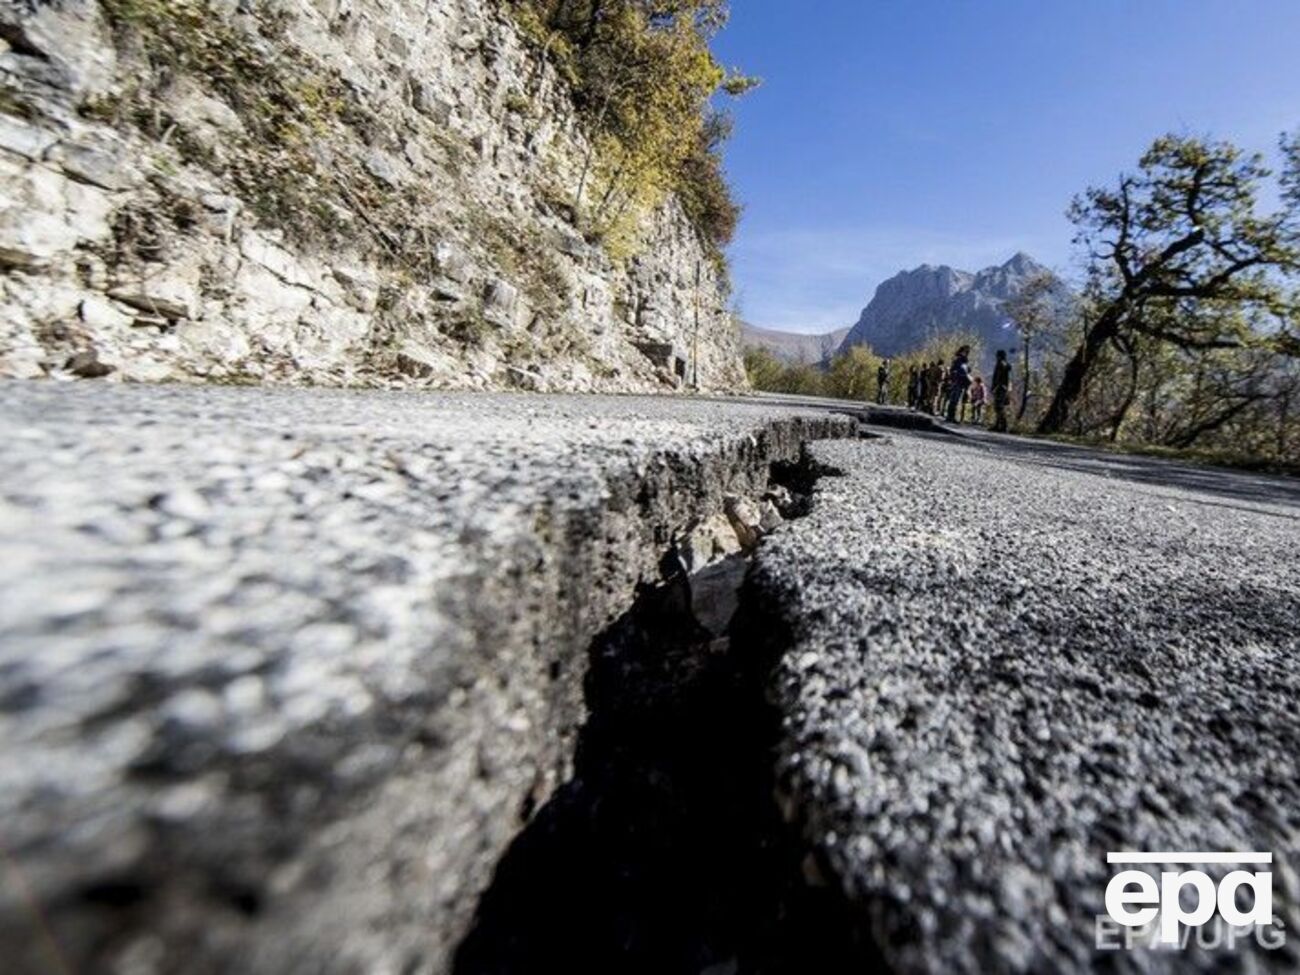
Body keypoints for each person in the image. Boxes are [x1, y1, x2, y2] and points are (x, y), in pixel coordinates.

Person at [945, 345, 972, 422]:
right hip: (957, 381)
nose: (966, 353)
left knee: (955, 399)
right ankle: (950, 416)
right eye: (966, 351)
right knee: (954, 399)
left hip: (958, 382)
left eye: (967, 352)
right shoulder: (959, 360)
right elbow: (956, 370)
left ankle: (950, 416)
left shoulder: (961, 360)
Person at [991, 349, 1012, 432]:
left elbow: (998, 377)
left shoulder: (1000, 364)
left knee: (998, 407)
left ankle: (1003, 426)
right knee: (999, 407)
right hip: (1003, 388)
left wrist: (995, 387)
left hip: (1000, 388)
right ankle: (998, 425)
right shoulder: (1004, 364)